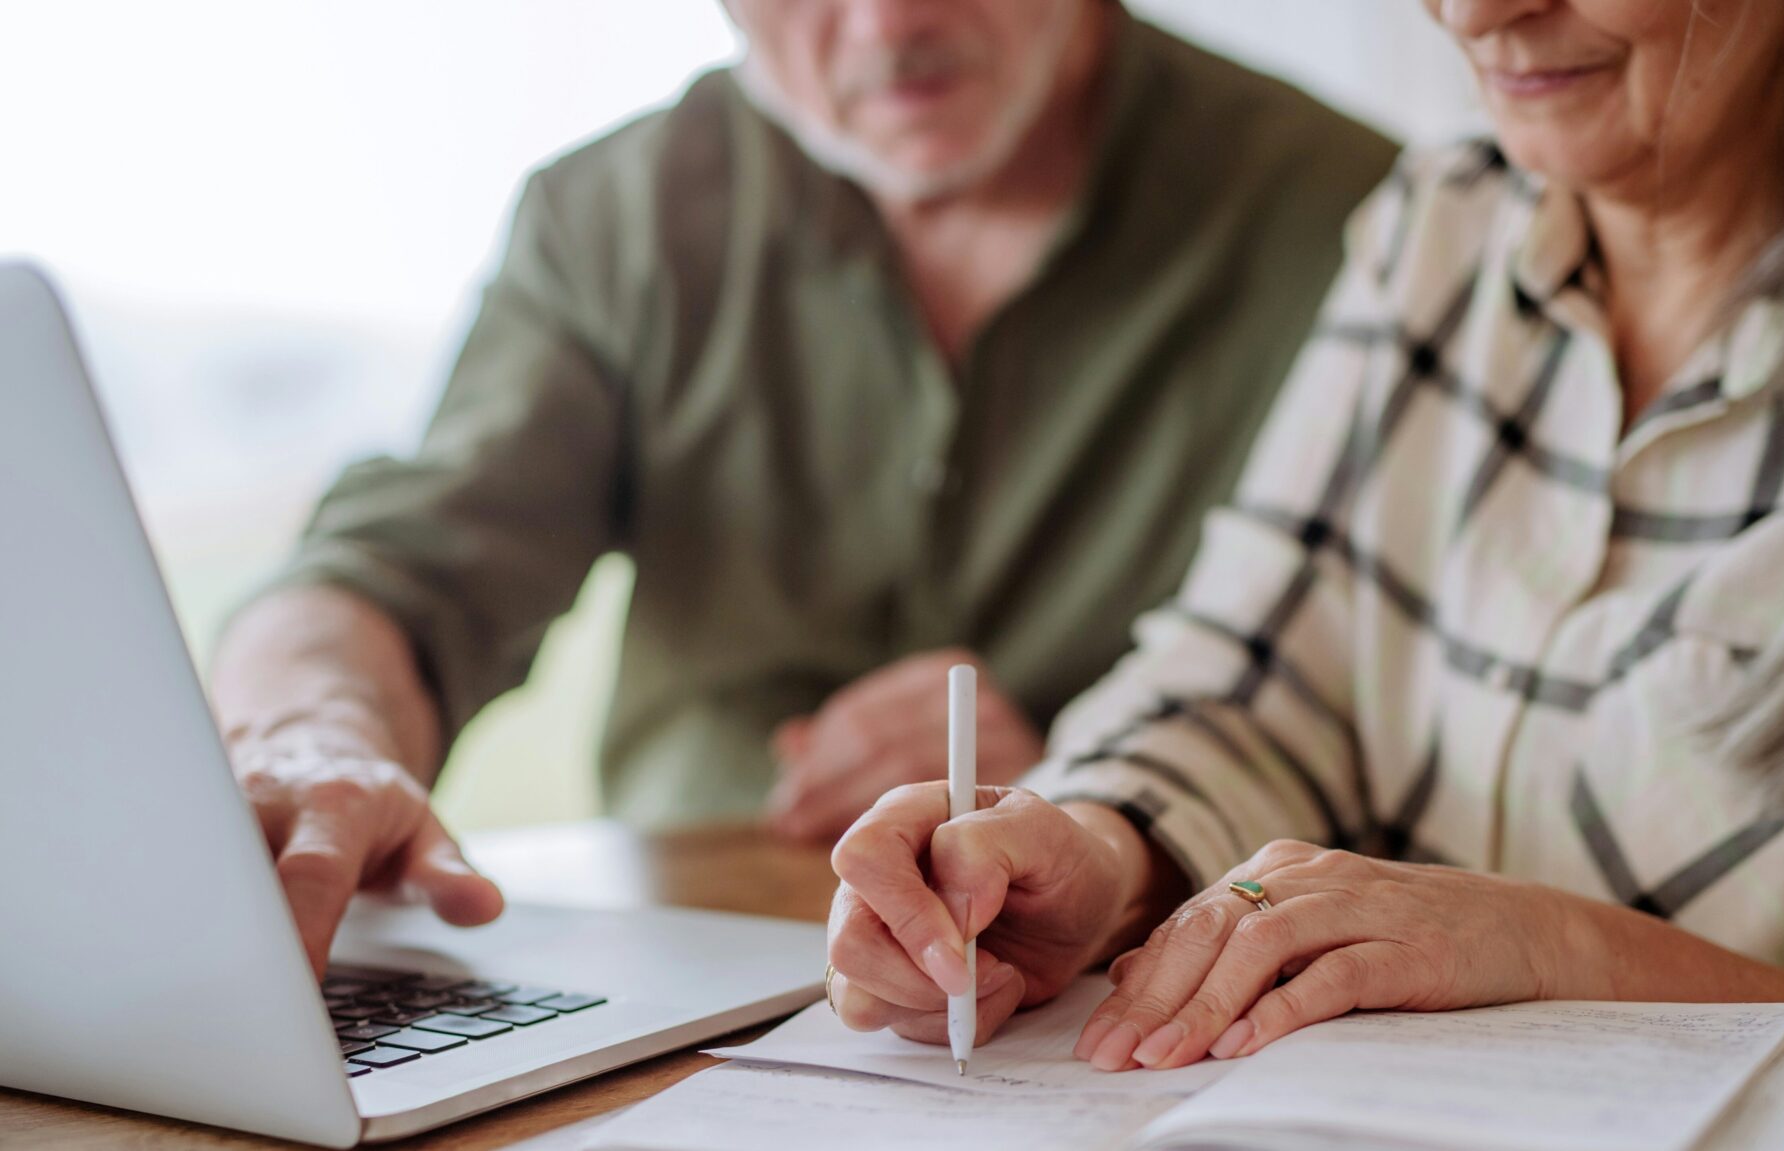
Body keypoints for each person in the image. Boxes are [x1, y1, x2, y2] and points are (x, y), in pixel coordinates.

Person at [825, 1, 1784, 1148]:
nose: (1472, 11)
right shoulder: (1441, 218)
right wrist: (1090, 855)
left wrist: (1556, 949)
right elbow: (1244, 682)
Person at [210, 0, 1395, 971]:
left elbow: (1406, 732)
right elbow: (406, 568)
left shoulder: (1362, 223)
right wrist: (312, 733)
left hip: (1119, 984)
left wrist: (1092, 774)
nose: (886, 24)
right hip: (665, 973)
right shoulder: (617, 214)